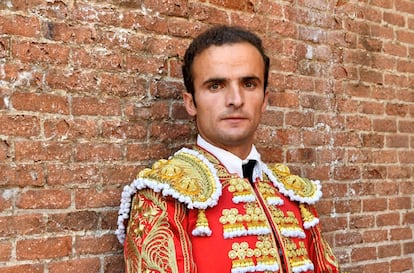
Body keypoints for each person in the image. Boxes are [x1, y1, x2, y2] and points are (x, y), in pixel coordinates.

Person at [116, 25, 340, 273]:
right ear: (191, 103)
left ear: (264, 99)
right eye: (215, 86)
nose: (235, 99)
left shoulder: (294, 194)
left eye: (249, 84)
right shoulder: (162, 197)